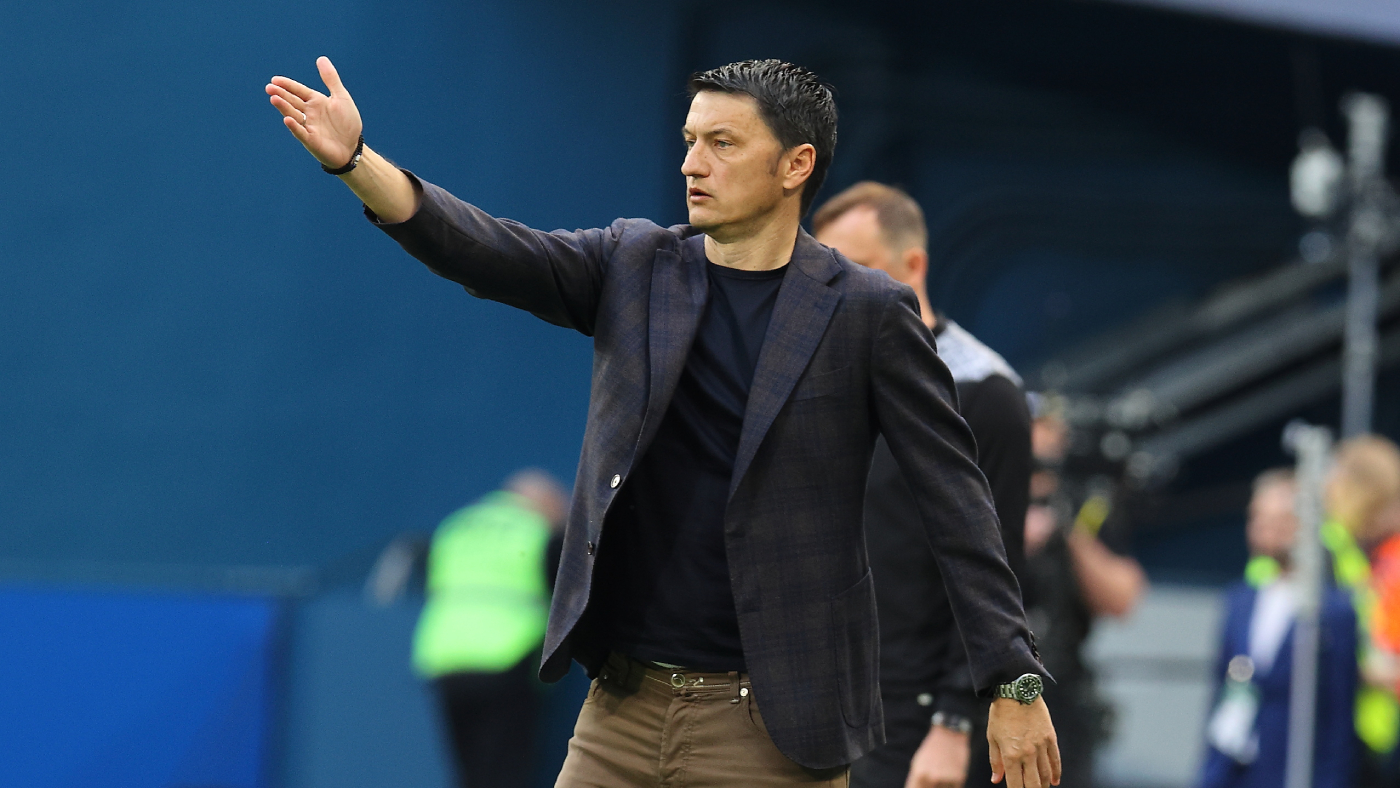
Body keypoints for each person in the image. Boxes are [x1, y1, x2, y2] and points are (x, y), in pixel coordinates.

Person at [266, 57, 1059, 787]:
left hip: (773, 730)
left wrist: (1012, 681)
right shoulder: (635, 265)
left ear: (796, 165)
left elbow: (960, 506)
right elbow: (487, 250)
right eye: (689, 141)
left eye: (722, 143)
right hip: (618, 713)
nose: (691, 163)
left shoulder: (869, 312)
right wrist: (355, 162)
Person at [811, 182, 1033, 788]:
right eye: (823, 274)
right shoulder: (816, 377)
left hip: (909, 716)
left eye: (855, 269)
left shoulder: (986, 394)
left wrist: (954, 721)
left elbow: (999, 575)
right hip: (807, 698)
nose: (834, 290)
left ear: (914, 266)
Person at [1196, 469, 1356, 788]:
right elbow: (1222, 694)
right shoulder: (1240, 599)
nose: (1264, 529)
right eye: (1257, 518)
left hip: (1293, 768)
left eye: (1279, 520)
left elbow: (1338, 716)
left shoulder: (1332, 610)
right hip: (1234, 766)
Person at [412, 469, 569, 788]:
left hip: (446, 658)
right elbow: (567, 592)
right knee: (505, 771)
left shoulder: (455, 526)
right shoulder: (537, 531)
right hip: (507, 656)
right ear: (546, 504)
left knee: (468, 770)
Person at [1021, 407, 1146, 788]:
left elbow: (1123, 599)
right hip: (981, 687)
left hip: (1061, 688)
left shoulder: (1082, 505)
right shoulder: (978, 496)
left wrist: (1068, 534)